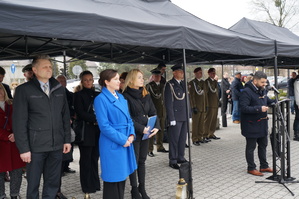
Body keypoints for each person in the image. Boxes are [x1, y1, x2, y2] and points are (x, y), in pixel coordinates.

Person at [13, 54, 71, 199]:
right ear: (35, 69)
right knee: (33, 184)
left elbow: (65, 116)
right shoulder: (24, 90)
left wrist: (67, 140)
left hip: (56, 145)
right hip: (35, 148)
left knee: (52, 184)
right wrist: (24, 148)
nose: (49, 69)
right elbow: (19, 121)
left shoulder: (59, 88)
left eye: (50, 67)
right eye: (45, 66)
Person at [94, 69, 137, 199]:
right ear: (106, 82)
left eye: (119, 79)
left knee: (122, 178)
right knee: (113, 180)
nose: (119, 82)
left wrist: (131, 135)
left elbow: (129, 119)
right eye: (116, 79)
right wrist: (123, 140)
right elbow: (104, 126)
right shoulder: (100, 99)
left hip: (125, 141)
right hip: (112, 143)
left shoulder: (121, 97)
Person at [123, 69, 159, 199]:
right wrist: (141, 128)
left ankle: (142, 188)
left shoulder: (146, 94)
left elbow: (154, 112)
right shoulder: (125, 96)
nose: (142, 80)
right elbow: (128, 118)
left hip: (146, 133)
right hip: (134, 134)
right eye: (139, 77)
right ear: (132, 80)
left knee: (142, 161)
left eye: (142, 77)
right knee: (134, 162)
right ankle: (134, 190)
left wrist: (157, 127)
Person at [239, 71, 274, 176]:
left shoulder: (262, 90)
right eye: (263, 82)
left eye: (266, 82)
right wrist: (259, 108)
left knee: (263, 145)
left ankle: (264, 166)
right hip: (251, 125)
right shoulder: (246, 92)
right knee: (251, 147)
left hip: (262, 124)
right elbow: (244, 108)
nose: (265, 84)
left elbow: (266, 100)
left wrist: (274, 103)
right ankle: (251, 167)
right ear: (255, 81)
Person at [73, 71, 100, 199]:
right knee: (85, 160)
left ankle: (95, 183)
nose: (88, 82)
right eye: (85, 80)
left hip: (97, 132)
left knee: (95, 158)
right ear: (82, 81)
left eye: (90, 79)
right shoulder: (78, 95)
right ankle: (86, 186)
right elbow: (80, 112)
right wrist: (97, 119)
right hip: (86, 132)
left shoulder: (97, 94)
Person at [0, 83, 26, 199]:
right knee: (0, 174)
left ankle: (14, 195)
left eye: (0, 88)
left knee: (16, 172)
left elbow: (21, 120)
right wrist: (7, 135)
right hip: (1, 144)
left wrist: (16, 134)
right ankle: (1, 195)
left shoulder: (12, 104)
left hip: (15, 144)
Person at [164, 64, 188, 170]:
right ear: (174, 73)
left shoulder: (183, 84)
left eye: (183, 72)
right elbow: (168, 103)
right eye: (180, 72)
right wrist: (171, 118)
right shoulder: (170, 85)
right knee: (174, 139)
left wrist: (189, 114)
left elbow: (187, 100)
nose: (182, 74)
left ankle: (180, 157)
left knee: (183, 139)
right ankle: (173, 159)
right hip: (176, 116)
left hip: (184, 115)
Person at [56, 75, 76, 199]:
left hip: (65, 130)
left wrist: (71, 117)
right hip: (53, 134)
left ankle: (57, 191)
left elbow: (70, 108)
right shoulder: (55, 94)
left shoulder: (68, 93)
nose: (62, 82)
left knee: (67, 150)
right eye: (60, 81)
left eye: (64, 80)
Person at [146, 69, 168, 157]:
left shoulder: (163, 85)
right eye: (156, 76)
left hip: (162, 111)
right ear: (153, 76)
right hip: (153, 111)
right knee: (152, 131)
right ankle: (149, 149)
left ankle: (160, 146)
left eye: (159, 76)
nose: (158, 77)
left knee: (161, 130)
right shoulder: (149, 86)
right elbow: (147, 99)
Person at [188, 67, 208, 145]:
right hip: (196, 106)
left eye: (201, 72)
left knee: (201, 123)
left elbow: (205, 95)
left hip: (202, 106)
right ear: (195, 74)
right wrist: (193, 107)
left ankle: (200, 137)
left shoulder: (203, 82)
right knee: (195, 124)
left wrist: (206, 105)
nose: (201, 74)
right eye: (199, 72)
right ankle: (194, 139)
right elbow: (192, 96)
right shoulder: (192, 83)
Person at [204, 68, 220, 140]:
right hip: (210, 104)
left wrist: (218, 101)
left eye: (214, 73)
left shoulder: (215, 82)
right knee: (208, 120)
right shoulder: (207, 82)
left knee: (213, 120)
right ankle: (205, 134)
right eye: (212, 73)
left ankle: (211, 133)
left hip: (215, 103)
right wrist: (206, 104)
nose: (213, 75)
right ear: (209, 74)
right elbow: (205, 94)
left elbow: (216, 93)